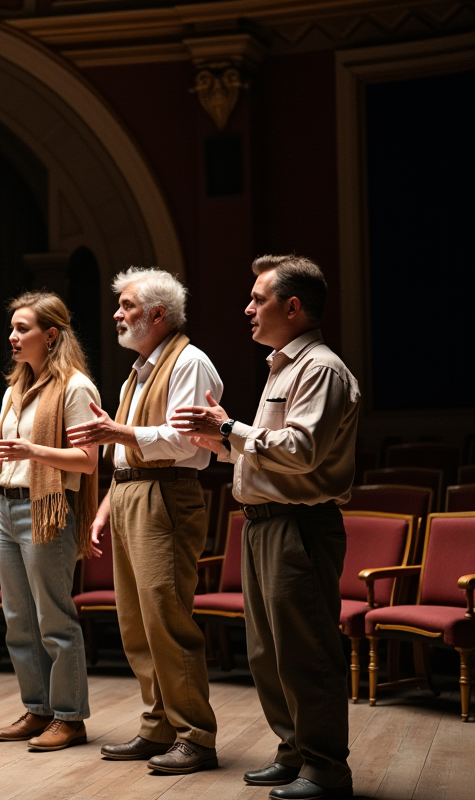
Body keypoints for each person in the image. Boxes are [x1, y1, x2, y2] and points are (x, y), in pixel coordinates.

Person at [173, 255, 358, 800]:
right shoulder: (284, 366)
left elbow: (301, 452)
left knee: (304, 650)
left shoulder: (319, 368)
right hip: (262, 523)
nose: (248, 308)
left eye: (259, 299)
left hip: (298, 525)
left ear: (293, 307)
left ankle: (326, 768)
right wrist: (225, 444)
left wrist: (229, 427)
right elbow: (271, 452)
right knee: (267, 652)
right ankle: (294, 751)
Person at [65, 268, 222, 773]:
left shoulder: (189, 362)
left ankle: (195, 734)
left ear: (158, 314)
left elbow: (183, 442)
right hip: (133, 493)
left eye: (127, 305)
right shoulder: (140, 368)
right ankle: (159, 727)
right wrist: (105, 508)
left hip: (166, 496)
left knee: (166, 618)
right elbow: (125, 454)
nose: (117, 313)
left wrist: (118, 430)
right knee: (136, 623)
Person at [0, 291, 99, 752]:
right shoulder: (13, 390)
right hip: (9, 505)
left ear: (51, 335)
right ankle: (37, 708)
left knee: (54, 618)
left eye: (23, 329)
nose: (13, 337)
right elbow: (11, 460)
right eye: (12, 328)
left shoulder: (76, 387)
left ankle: (69, 717)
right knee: (18, 620)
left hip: (48, 510)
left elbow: (87, 460)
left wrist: (33, 452)